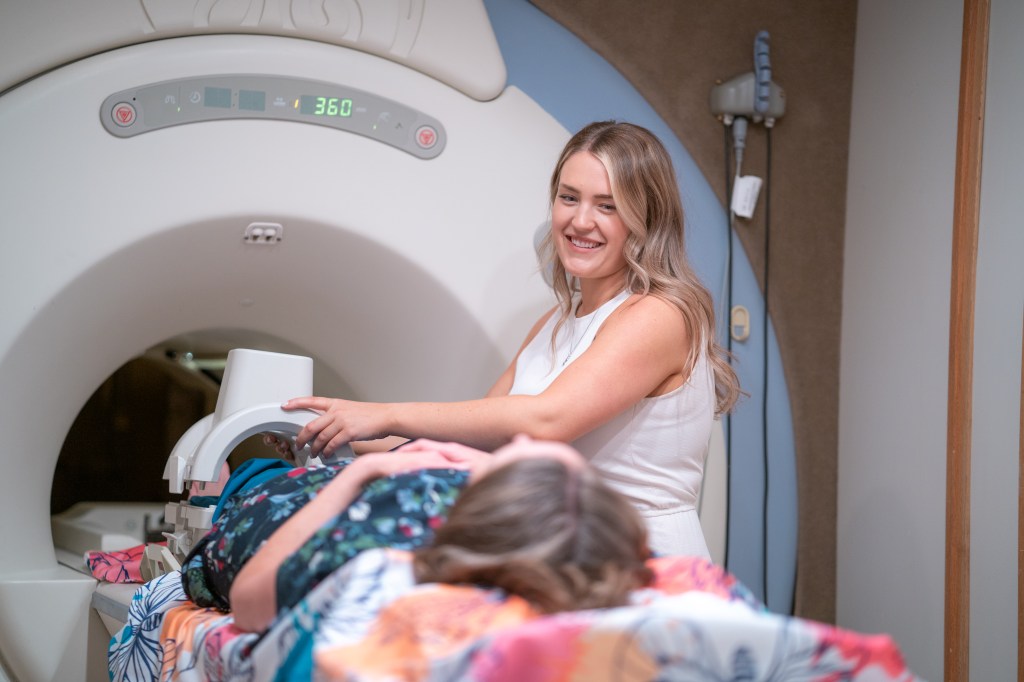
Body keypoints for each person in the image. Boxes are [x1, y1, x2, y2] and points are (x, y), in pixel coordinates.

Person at [281, 120, 741, 559]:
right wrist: (329, 433)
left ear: (647, 216)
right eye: (569, 197)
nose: (580, 221)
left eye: (608, 205)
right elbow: (479, 444)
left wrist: (384, 414)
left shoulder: (659, 314)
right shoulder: (553, 325)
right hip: (567, 552)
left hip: (643, 556)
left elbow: (547, 420)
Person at [224, 436, 653, 632]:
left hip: (277, 505)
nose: (517, 439)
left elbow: (248, 602)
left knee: (248, 480)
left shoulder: (381, 549)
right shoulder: (583, 535)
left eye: (514, 455)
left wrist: (362, 472)